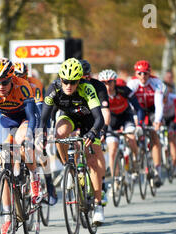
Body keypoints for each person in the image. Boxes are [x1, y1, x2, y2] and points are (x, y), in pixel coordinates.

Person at [0, 57, 41, 234]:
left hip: (26, 117)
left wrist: (28, 137)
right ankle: (7, 219)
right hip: (6, 120)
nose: (0, 86)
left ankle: (35, 177)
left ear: (12, 78)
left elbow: (32, 117)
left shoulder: (23, 85)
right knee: (4, 163)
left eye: (4, 82)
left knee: (22, 143)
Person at [40, 58, 106, 224]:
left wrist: (92, 133)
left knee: (92, 162)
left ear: (80, 80)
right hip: (69, 117)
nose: (69, 85)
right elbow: (43, 118)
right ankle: (69, 168)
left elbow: (100, 118)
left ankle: (98, 205)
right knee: (59, 134)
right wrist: (41, 135)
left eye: (73, 81)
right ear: (60, 79)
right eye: (66, 81)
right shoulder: (53, 88)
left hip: (88, 120)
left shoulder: (87, 88)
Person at [13, 61, 58, 206]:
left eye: (23, 75)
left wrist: (43, 131)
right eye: (17, 76)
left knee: (40, 150)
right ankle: (18, 178)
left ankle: (50, 184)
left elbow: (40, 108)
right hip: (19, 117)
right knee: (13, 148)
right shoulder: (9, 85)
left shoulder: (35, 84)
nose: (20, 78)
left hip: (36, 116)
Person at [98, 69, 142, 184]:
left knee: (131, 139)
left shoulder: (123, 90)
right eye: (104, 83)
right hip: (111, 121)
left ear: (115, 82)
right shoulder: (99, 95)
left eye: (110, 82)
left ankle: (136, 160)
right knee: (112, 150)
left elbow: (137, 107)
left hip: (126, 118)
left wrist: (140, 123)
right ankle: (116, 179)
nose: (107, 86)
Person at [127, 60, 165, 187]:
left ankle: (157, 171)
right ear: (136, 74)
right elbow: (128, 104)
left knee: (154, 136)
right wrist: (135, 119)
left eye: (146, 73)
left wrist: (157, 121)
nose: (143, 76)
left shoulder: (157, 83)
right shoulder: (132, 83)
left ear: (150, 73)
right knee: (133, 133)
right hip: (137, 111)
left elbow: (159, 105)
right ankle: (135, 160)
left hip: (152, 110)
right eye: (140, 73)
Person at [80, 59, 110, 206]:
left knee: (96, 153)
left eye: (87, 76)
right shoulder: (71, 86)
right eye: (81, 77)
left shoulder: (98, 86)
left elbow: (104, 111)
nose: (84, 79)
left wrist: (103, 128)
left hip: (94, 121)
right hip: (76, 120)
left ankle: (101, 183)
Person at [162, 83, 176, 177]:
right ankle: (164, 157)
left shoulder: (173, 98)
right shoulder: (156, 100)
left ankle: (175, 166)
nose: (164, 100)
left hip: (172, 119)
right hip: (162, 119)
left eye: (165, 97)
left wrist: (175, 122)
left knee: (172, 140)